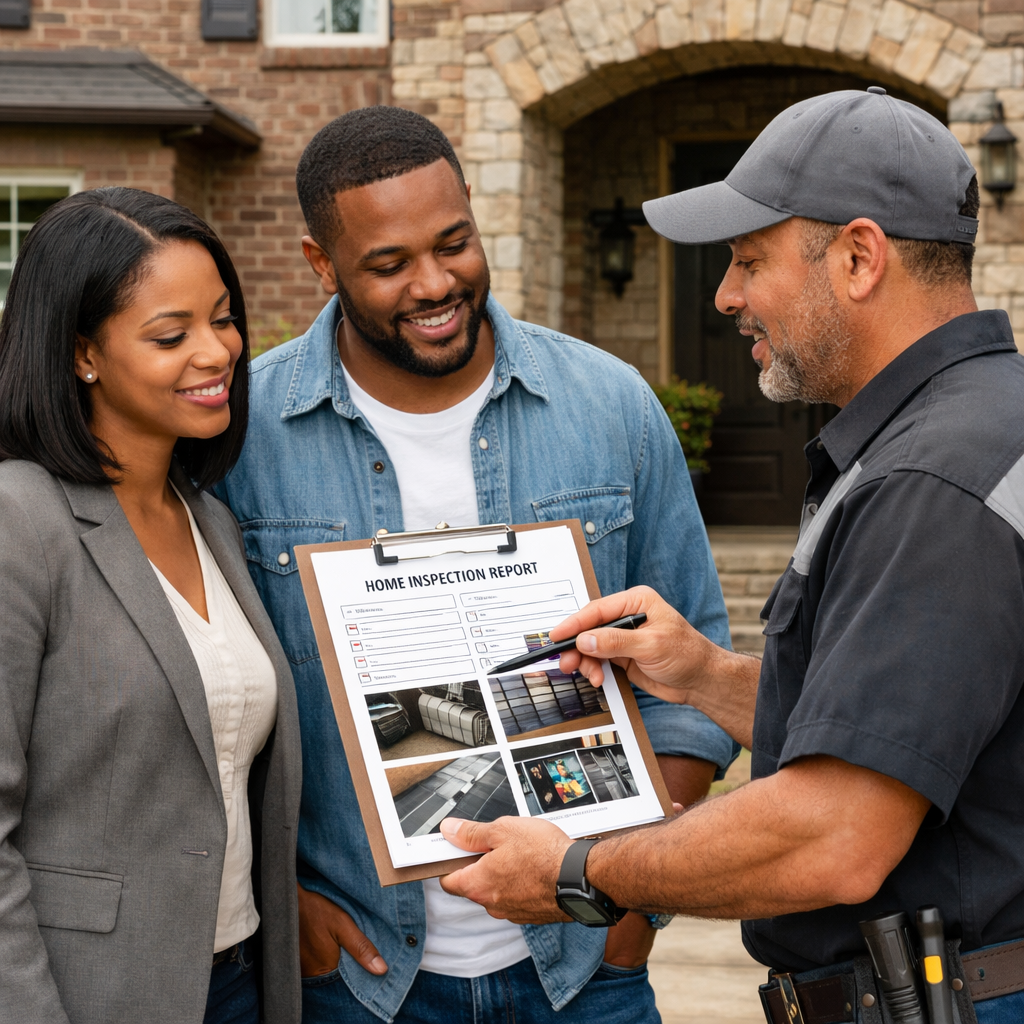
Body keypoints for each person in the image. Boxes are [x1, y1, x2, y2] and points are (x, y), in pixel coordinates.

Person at [440, 88, 1024, 1023]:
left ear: (860, 257)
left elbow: (836, 835)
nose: (725, 296)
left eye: (750, 260)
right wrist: (705, 675)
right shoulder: (984, 422)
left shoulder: (928, 481)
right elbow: (906, 731)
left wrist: (579, 870)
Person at [213, 105, 737, 1023]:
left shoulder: (609, 404)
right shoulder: (243, 436)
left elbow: (693, 680)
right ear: (320, 264)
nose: (434, 283)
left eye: (453, 243)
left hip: (587, 967)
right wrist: (281, 905)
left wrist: (631, 895)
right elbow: (213, 713)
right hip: (361, 979)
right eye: (389, 264)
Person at [0, 188, 302, 1024]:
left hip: (239, 978)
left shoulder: (209, 519)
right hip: (88, 992)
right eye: (172, 335)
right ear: (83, 355)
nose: (217, 352)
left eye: (224, 320)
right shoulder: (20, 521)